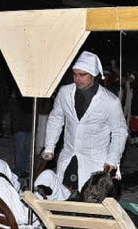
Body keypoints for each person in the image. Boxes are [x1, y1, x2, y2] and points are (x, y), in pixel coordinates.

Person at [42, 51, 128, 191]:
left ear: (93, 75)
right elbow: (56, 119)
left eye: (82, 75)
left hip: (95, 162)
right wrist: (50, 146)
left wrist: (112, 159)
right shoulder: (64, 93)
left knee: (89, 202)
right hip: (69, 157)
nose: (77, 78)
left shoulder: (110, 101)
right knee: (63, 197)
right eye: (75, 74)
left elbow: (120, 132)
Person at [9, 90, 33, 178]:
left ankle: (22, 169)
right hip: (20, 127)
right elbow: (14, 113)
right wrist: (16, 127)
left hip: (28, 126)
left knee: (26, 150)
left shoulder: (30, 96)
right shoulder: (16, 96)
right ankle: (19, 170)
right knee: (20, 150)